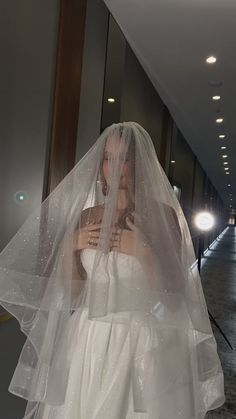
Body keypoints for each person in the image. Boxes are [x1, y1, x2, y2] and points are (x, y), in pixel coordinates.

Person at [0, 122, 225, 419]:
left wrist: (143, 251)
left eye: (124, 159)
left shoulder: (163, 216)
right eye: (108, 158)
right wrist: (70, 247)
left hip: (141, 343)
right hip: (87, 340)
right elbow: (74, 292)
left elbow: (172, 298)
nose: (114, 167)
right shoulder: (88, 216)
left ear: (139, 164)